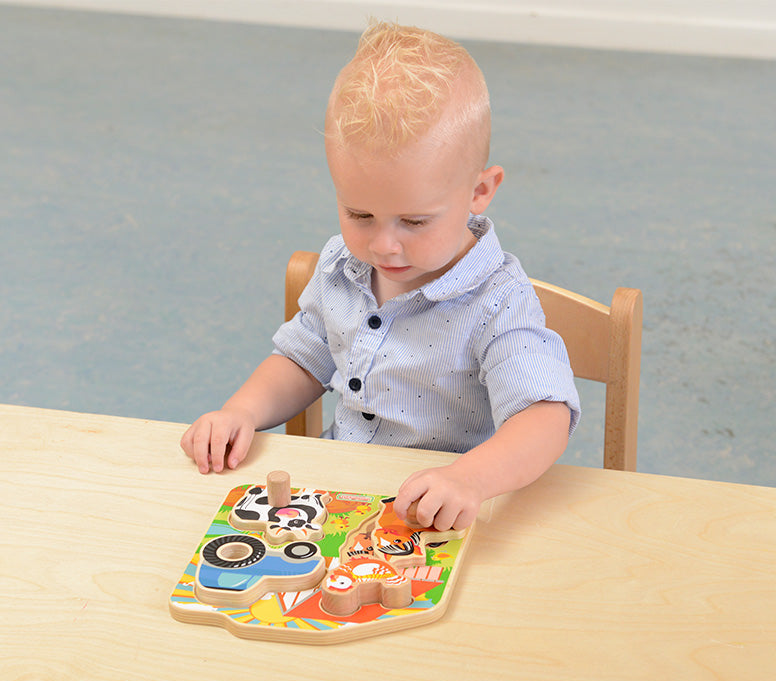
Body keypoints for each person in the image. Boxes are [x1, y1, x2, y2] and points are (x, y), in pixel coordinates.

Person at [181, 21, 580, 531]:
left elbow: (544, 416)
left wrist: (470, 480)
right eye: (360, 215)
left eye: (414, 221)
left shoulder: (498, 301)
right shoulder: (341, 266)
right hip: (340, 500)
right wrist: (242, 411)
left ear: (480, 191)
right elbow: (303, 359)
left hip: (437, 519)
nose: (383, 245)